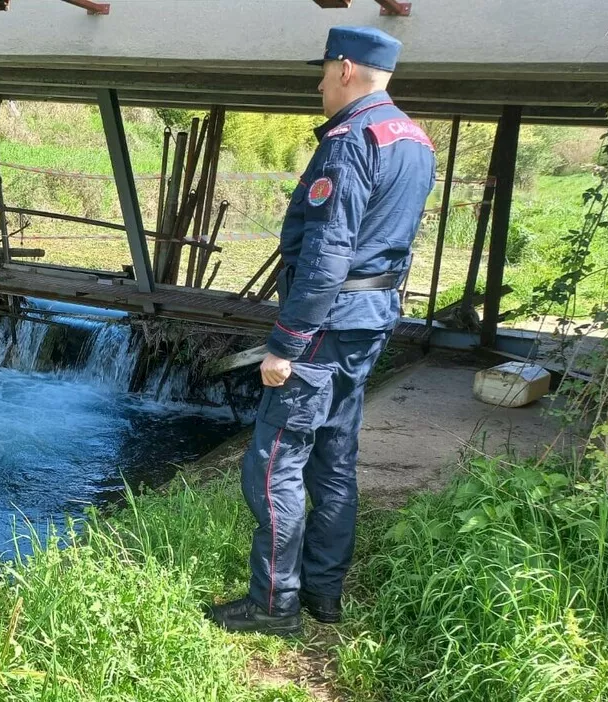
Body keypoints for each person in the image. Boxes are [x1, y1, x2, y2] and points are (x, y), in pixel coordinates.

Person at [207, 26, 436, 636]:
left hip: (324, 326)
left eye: (322, 71)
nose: (317, 83)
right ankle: (323, 595)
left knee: (274, 462)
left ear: (345, 70)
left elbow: (328, 252)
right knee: (333, 459)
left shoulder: (349, 140)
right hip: (369, 321)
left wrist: (285, 343)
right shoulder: (414, 139)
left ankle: (273, 605)